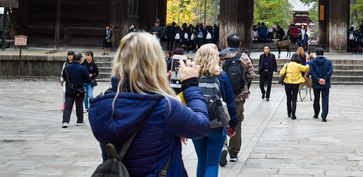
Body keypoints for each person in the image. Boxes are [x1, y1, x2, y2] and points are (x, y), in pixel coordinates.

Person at [89, 32, 210, 176]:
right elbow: (201, 126)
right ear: (156, 63)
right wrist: (191, 86)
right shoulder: (166, 107)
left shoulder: (103, 103)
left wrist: (156, 86)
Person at [193, 44, 239, 177]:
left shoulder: (193, 76)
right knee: (212, 163)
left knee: (201, 160)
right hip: (217, 123)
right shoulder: (222, 76)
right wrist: (233, 124)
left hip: (196, 122)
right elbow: (230, 102)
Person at [219, 33, 255, 164]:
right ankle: (234, 153)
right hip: (238, 96)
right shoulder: (244, 57)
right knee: (237, 123)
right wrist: (243, 82)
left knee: (221, 122)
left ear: (227, 43)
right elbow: (252, 75)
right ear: (239, 44)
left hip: (222, 96)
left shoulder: (219, 57)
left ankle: (223, 146)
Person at [62, 52, 90, 128]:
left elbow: (64, 77)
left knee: (68, 106)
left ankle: (65, 121)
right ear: (80, 60)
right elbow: (87, 79)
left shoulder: (67, 68)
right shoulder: (83, 68)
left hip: (69, 90)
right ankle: (79, 121)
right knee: (79, 106)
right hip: (79, 90)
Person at [279, 53, 310, 120]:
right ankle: (293, 114)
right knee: (294, 99)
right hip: (295, 84)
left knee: (288, 99)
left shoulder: (287, 65)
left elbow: (281, 73)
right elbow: (306, 68)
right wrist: (307, 61)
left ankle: (289, 113)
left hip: (287, 83)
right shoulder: (299, 65)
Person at [310, 47, 333, 122]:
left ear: (316, 54)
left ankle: (316, 113)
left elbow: (311, 72)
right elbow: (330, 71)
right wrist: (325, 79)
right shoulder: (328, 61)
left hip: (316, 83)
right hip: (325, 83)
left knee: (316, 98)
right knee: (325, 99)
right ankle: (324, 115)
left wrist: (318, 79)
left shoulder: (313, 62)